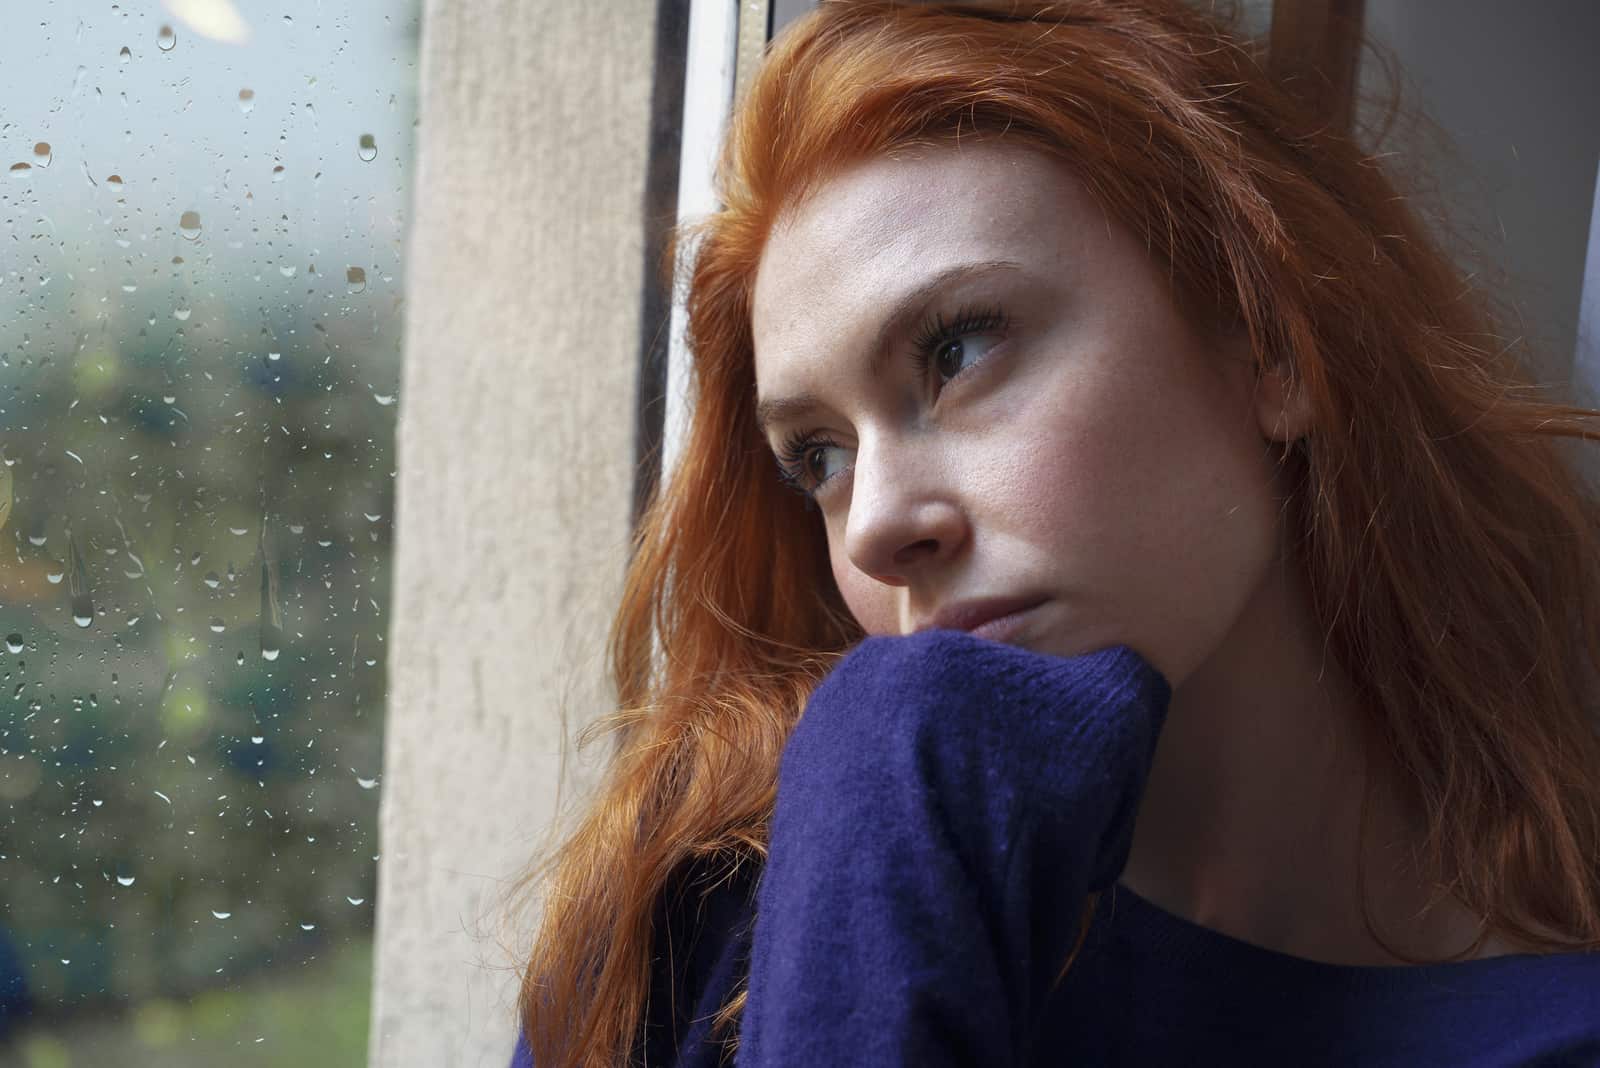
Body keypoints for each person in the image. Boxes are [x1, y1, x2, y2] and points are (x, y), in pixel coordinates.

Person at [508, 1, 1600, 1064]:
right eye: (819, 458)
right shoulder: (703, 925)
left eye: (959, 351)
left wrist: (897, 746)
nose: (878, 526)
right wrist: (889, 784)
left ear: (1267, 338)